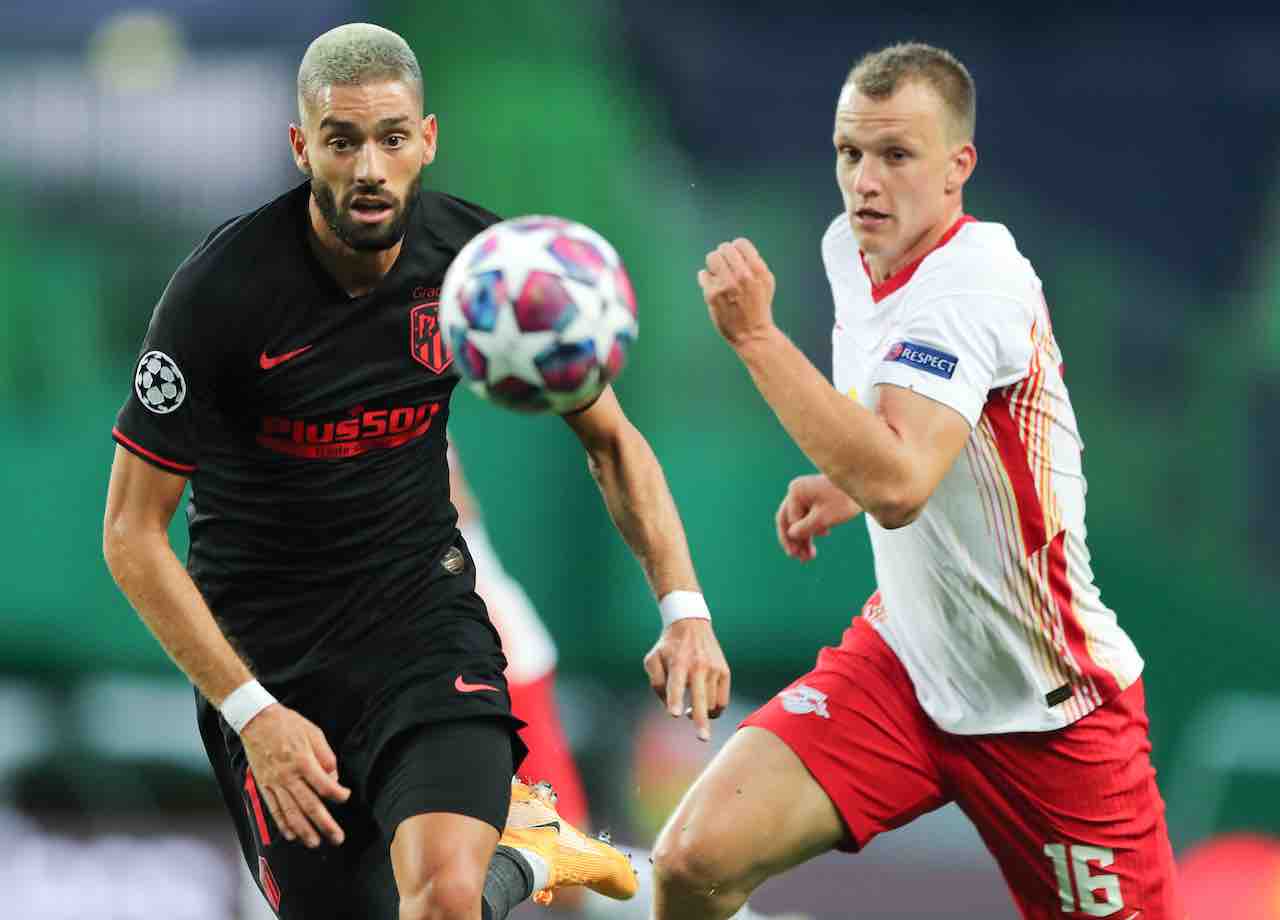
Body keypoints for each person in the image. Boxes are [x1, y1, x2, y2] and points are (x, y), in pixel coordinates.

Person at [101, 22, 730, 920]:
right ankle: (528, 856)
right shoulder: (219, 294)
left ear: (426, 139)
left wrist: (683, 606)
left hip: (423, 628)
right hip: (272, 664)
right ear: (301, 145)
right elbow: (130, 534)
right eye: (343, 139)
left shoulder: (487, 270)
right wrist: (253, 712)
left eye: (392, 139)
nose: (369, 167)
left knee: (439, 901)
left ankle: (502, 860)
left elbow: (611, 439)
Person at [651, 42, 1185, 920]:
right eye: (848, 153)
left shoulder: (977, 283)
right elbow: (909, 437)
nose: (865, 179)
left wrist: (757, 339)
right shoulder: (846, 251)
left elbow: (900, 485)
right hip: (904, 667)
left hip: (1049, 707)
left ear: (957, 168)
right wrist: (842, 481)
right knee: (691, 864)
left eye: (896, 155)